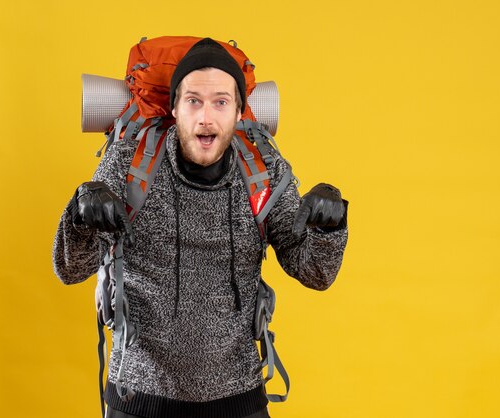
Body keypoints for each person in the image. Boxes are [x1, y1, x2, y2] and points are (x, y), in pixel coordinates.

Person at [53, 38, 348, 418]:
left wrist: (331, 225)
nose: (206, 118)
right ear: (175, 108)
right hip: (137, 397)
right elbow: (70, 269)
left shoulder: (263, 169)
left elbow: (315, 272)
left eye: (221, 102)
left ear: (239, 111)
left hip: (238, 396)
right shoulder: (129, 163)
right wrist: (80, 215)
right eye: (193, 101)